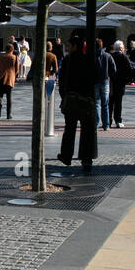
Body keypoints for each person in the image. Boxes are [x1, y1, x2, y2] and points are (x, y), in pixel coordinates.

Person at [57, 33, 95, 172]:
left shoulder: (68, 60)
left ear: (74, 46)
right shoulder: (88, 59)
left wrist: (64, 96)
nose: (67, 48)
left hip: (72, 99)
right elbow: (93, 78)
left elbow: (62, 80)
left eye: (69, 45)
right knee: (87, 130)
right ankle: (86, 159)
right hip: (85, 99)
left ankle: (66, 156)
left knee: (70, 129)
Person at [109, 40, 135, 128]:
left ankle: (108, 121)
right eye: (123, 47)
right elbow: (130, 70)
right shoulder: (124, 57)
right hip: (120, 84)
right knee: (118, 103)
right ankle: (118, 120)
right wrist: (127, 80)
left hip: (111, 83)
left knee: (110, 103)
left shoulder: (110, 56)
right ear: (121, 48)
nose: (124, 49)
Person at [93, 38, 115, 131]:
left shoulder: (92, 56)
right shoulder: (108, 56)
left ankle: (96, 124)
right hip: (105, 82)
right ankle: (106, 125)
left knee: (96, 104)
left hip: (95, 82)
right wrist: (108, 75)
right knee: (105, 104)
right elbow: (114, 69)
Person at [0, 43, 18, 119]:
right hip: (10, 79)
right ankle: (8, 114)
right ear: (12, 50)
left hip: (1, 78)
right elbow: (17, 69)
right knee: (9, 97)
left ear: (5, 49)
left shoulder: (0, 57)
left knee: (0, 95)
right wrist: (14, 76)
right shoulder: (15, 57)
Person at [44, 41, 59, 137]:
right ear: (51, 47)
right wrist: (50, 73)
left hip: (40, 77)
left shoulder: (40, 54)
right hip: (48, 77)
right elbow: (56, 69)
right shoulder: (53, 56)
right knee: (49, 99)